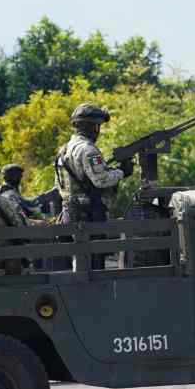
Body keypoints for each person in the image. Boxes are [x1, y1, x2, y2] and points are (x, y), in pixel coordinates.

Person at [54, 103, 130, 270]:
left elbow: (59, 184)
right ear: (92, 127)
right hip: (89, 213)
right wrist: (122, 172)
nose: (99, 130)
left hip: (69, 210)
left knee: (79, 258)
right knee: (94, 262)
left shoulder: (63, 149)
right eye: (97, 126)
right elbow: (101, 180)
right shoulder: (88, 150)